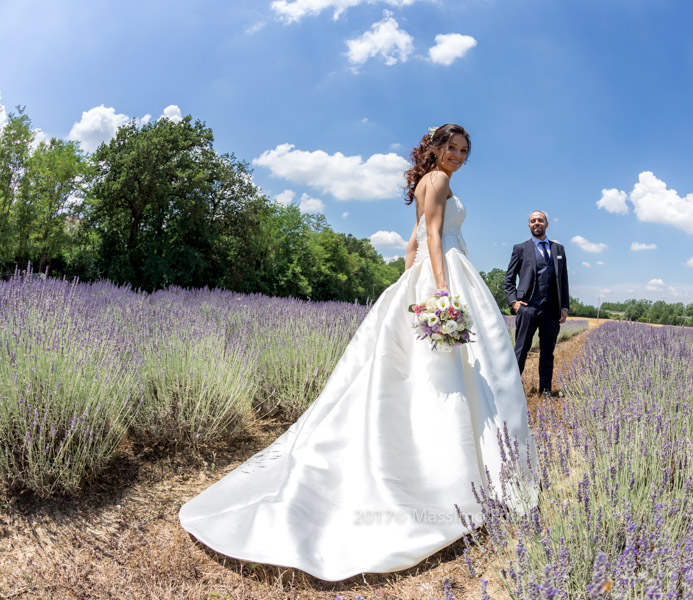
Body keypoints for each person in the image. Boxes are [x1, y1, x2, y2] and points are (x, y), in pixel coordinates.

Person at [179, 124, 536, 581]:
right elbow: (431, 235)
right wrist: (443, 292)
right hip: (446, 275)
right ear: (436, 148)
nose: (459, 156)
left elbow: (412, 242)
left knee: (416, 372)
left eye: (465, 151)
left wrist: (410, 284)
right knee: (457, 372)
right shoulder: (440, 181)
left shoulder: (426, 183)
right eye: (453, 148)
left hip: (427, 275)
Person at [503, 210, 570, 396]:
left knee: (547, 353)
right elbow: (508, 280)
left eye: (540, 220)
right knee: (521, 350)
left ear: (547, 224)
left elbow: (563, 280)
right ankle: (512, 391)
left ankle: (546, 390)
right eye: (533, 221)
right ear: (529, 225)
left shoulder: (559, 250)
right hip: (528, 307)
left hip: (551, 310)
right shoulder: (520, 249)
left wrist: (564, 306)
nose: (536, 223)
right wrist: (514, 302)